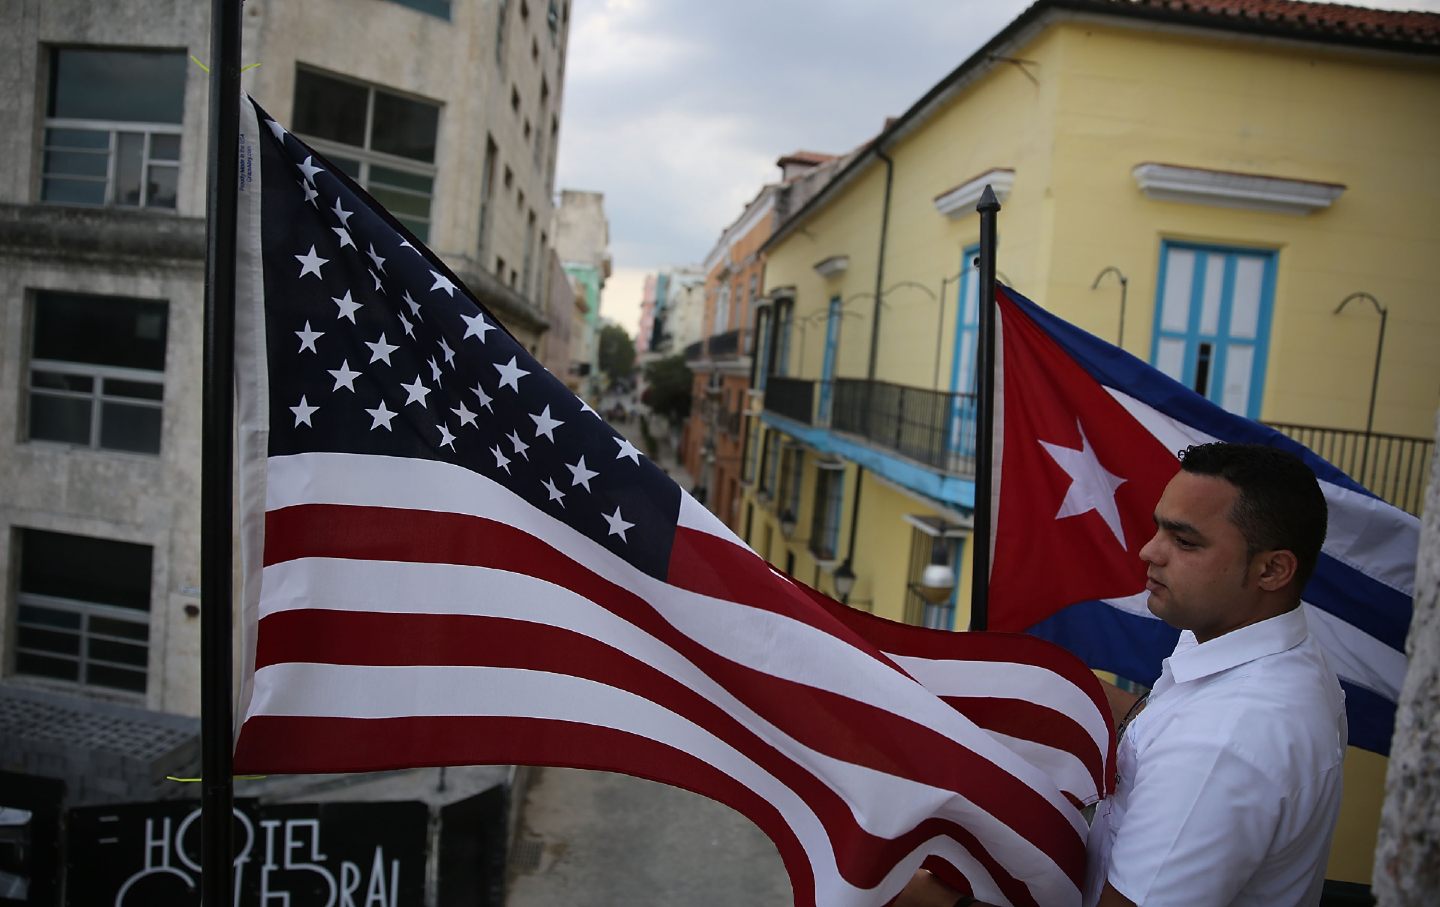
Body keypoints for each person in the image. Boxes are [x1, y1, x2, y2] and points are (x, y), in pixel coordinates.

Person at [899, 442, 1347, 907]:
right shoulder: (1259, 646)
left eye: (1185, 541)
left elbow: (1197, 745)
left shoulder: (1223, 743)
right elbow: (1164, 725)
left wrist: (932, 901)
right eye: (1158, 530)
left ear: (1272, 569)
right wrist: (1022, 683)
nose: (1148, 552)